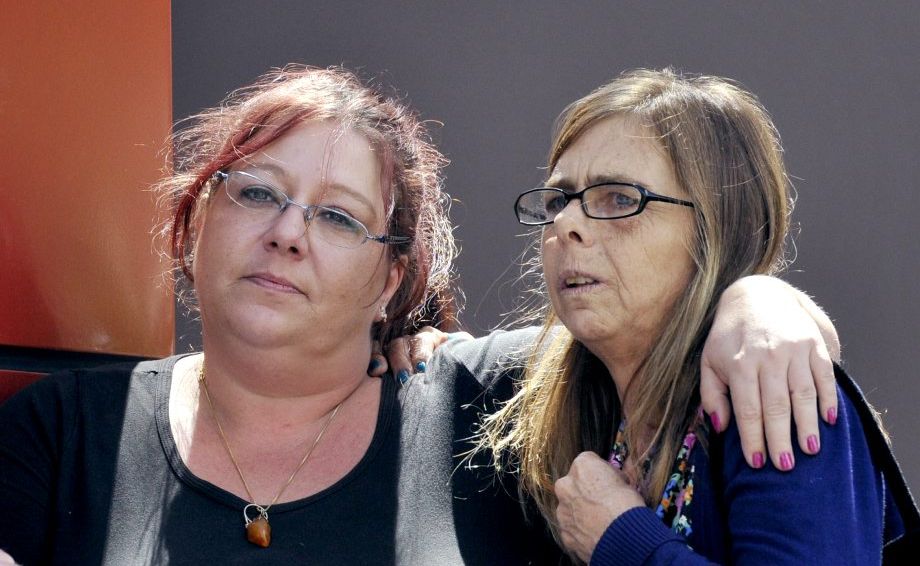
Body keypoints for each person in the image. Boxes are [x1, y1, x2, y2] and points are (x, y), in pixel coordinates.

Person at [0, 65, 841, 565]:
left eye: (336, 216)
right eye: (256, 192)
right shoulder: (62, 434)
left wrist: (756, 298)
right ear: (194, 220)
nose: (288, 233)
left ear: (392, 273)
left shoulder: (490, 400)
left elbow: (652, 322)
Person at [435, 68, 915, 564]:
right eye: (559, 200)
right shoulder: (566, 393)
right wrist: (413, 340)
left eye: (620, 198)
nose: (566, 224)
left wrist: (620, 538)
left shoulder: (773, 388)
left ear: (716, 227)